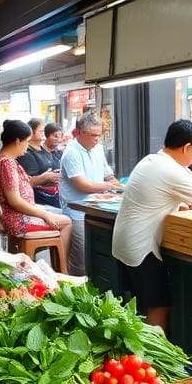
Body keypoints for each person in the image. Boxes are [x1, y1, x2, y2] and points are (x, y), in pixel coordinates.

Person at [113, 120, 192, 329]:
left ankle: (142, 354)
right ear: (187, 148)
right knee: (159, 305)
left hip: (124, 241)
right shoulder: (172, 170)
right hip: (141, 247)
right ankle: (155, 358)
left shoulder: (152, 159)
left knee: (142, 303)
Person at [0, 120, 72, 254]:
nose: (27, 147)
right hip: (17, 220)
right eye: (26, 142)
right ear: (17, 141)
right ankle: (60, 269)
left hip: (14, 216)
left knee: (58, 215)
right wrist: (44, 215)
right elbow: (15, 201)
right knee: (66, 222)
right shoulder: (7, 164)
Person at [59, 113, 122, 275]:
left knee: (100, 252)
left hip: (99, 205)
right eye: (92, 135)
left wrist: (119, 187)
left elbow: (108, 174)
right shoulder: (71, 152)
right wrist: (108, 186)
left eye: (99, 135)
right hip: (77, 212)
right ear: (78, 132)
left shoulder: (98, 149)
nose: (96, 139)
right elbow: (82, 185)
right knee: (82, 256)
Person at [17, 118, 61, 207]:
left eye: (43, 130)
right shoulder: (27, 153)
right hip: (39, 199)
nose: (43, 132)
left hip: (53, 195)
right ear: (31, 132)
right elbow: (28, 181)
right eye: (40, 130)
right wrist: (46, 177)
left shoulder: (44, 150)